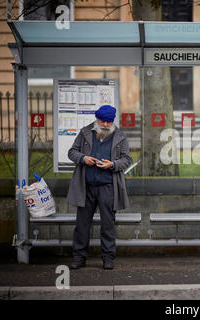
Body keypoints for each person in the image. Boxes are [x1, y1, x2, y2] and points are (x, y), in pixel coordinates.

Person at [67, 105, 132, 270]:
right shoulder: (84, 132)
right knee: (82, 224)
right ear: (97, 119)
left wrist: (113, 164)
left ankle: (108, 258)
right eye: (102, 121)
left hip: (108, 186)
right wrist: (83, 158)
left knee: (108, 225)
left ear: (112, 121)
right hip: (86, 186)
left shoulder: (120, 136)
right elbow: (72, 152)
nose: (105, 124)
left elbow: (127, 160)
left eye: (108, 122)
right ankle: (79, 258)